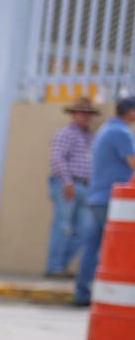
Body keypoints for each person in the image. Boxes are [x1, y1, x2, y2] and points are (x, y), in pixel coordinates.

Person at [74, 95, 135, 307]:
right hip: (112, 199)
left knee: (92, 245)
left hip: (96, 195)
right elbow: (133, 161)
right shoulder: (121, 132)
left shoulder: (105, 130)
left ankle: (83, 292)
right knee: (109, 248)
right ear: (130, 112)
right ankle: (100, 293)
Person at [47, 98, 99, 278]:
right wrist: (67, 182)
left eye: (88, 114)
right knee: (62, 226)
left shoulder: (90, 137)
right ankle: (54, 266)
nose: (86, 117)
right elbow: (57, 159)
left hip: (85, 186)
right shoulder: (66, 134)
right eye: (82, 113)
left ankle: (61, 264)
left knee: (83, 230)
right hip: (68, 184)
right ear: (73, 114)